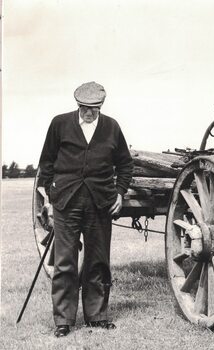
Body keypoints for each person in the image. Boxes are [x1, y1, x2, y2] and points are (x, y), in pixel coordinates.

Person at [39, 81, 133, 337]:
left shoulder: (111, 127)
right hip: (66, 203)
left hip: (100, 204)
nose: (88, 113)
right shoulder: (60, 124)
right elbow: (46, 163)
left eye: (93, 108)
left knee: (98, 261)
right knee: (65, 262)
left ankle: (97, 316)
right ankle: (63, 321)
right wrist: (50, 194)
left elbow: (125, 165)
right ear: (77, 105)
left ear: (101, 106)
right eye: (83, 108)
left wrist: (120, 193)